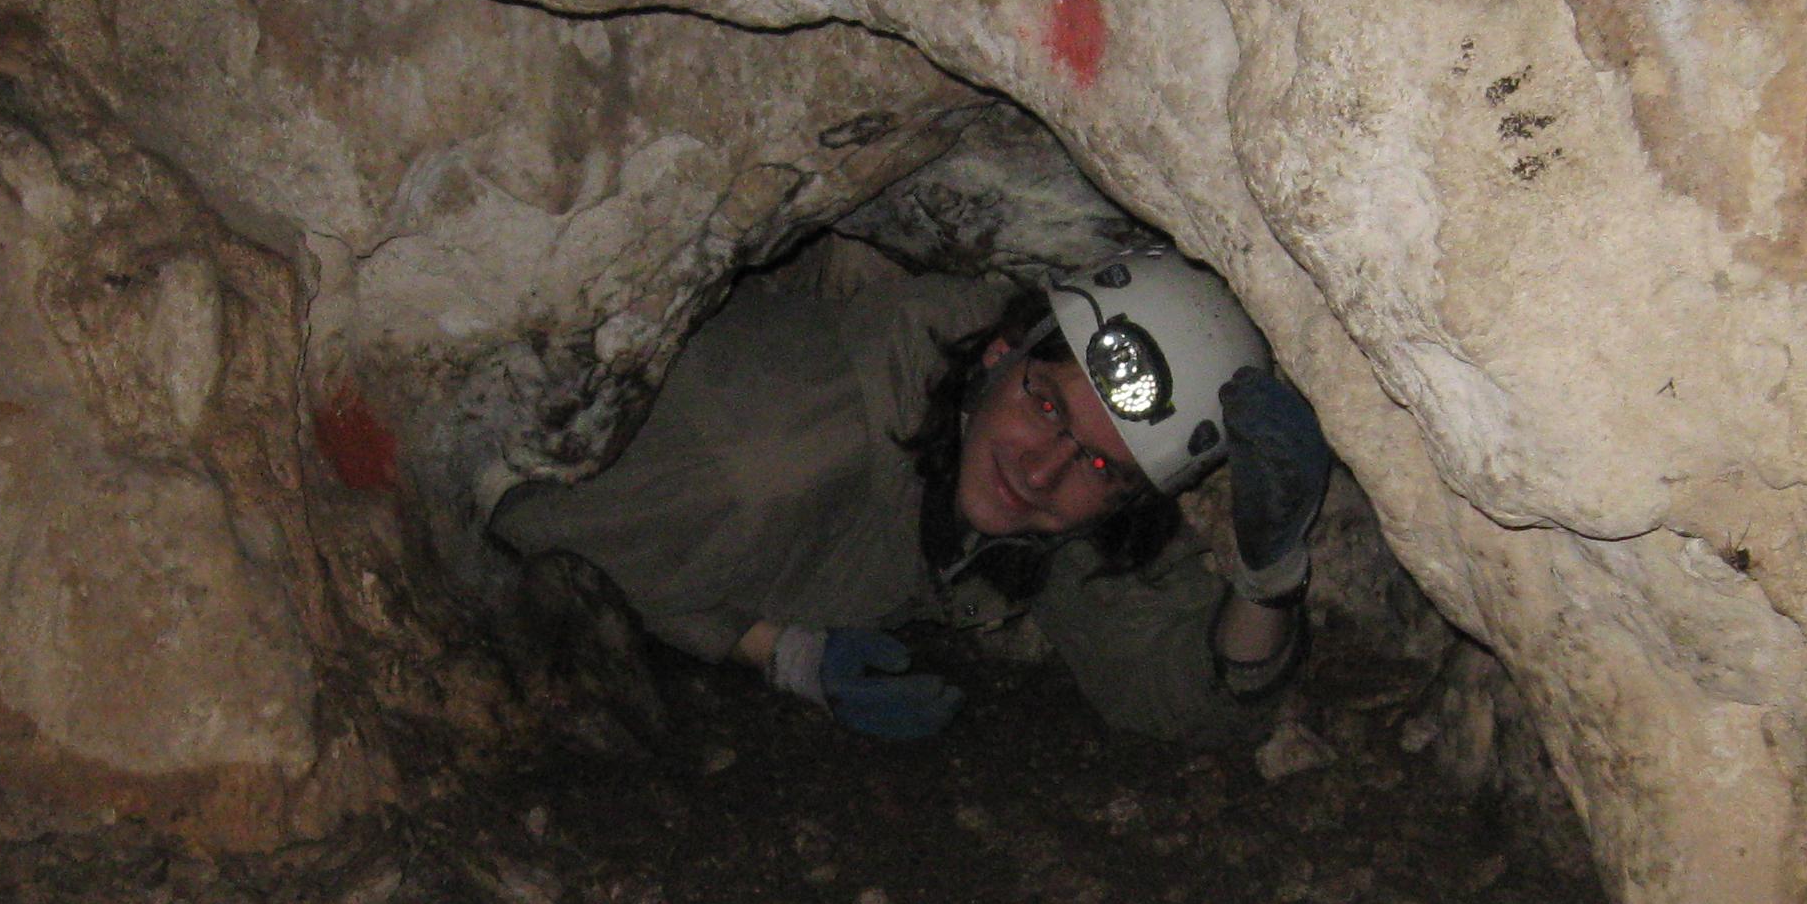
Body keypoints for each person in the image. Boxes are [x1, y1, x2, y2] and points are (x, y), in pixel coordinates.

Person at [481, 249, 1336, 743]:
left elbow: (1182, 689)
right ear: (1000, 352)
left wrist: (1269, 576)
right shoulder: (774, 454)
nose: (1042, 472)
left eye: (1103, 469)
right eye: (1047, 407)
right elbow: (525, 518)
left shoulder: (1030, 490)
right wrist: (777, 649)